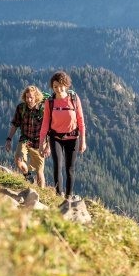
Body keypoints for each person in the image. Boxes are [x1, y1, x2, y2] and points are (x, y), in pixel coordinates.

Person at [39, 71, 86, 199]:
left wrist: (83, 141)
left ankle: (69, 196)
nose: (58, 89)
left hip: (73, 138)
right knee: (57, 166)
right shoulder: (50, 102)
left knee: (70, 168)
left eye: (61, 86)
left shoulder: (74, 98)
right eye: (55, 87)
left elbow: (81, 120)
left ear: (66, 85)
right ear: (52, 87)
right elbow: (45, 124)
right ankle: (59, 195)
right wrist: (41, 144)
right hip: (56, 138)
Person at [5, 85, 46, 187]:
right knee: (18, 161)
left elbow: (48, 129)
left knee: (39, 171)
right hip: (25, 139)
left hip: (38, 142)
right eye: (27, 97)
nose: (29, 99)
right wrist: (9, 139)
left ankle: (42, 194)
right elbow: (15, 124)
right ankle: (27, 176)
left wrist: (48, 146)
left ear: (36, 97)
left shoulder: (43, 110)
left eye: (31, 97)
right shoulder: (21, 108)